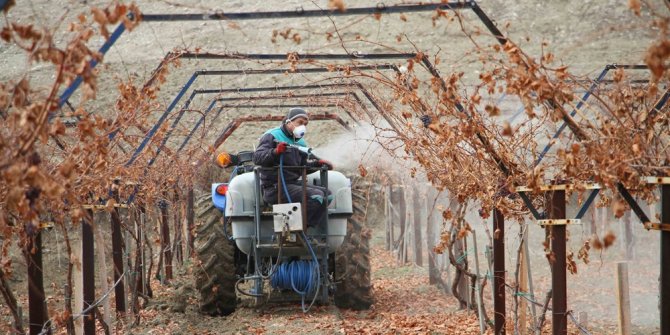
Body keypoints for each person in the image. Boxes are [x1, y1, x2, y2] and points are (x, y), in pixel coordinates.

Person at [253, 108, 334, 229]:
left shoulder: (301, 143)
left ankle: (304, 227)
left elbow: (301, 167)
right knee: (316, 196)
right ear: (288, 122)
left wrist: (318, 165)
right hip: (274, 187)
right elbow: (257, 158)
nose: (303, 127)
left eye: (305, 124)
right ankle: (295, 228)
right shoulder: (272, 135)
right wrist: (275, 151)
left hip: (292, 184)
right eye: (300, 123)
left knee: (328, 195)